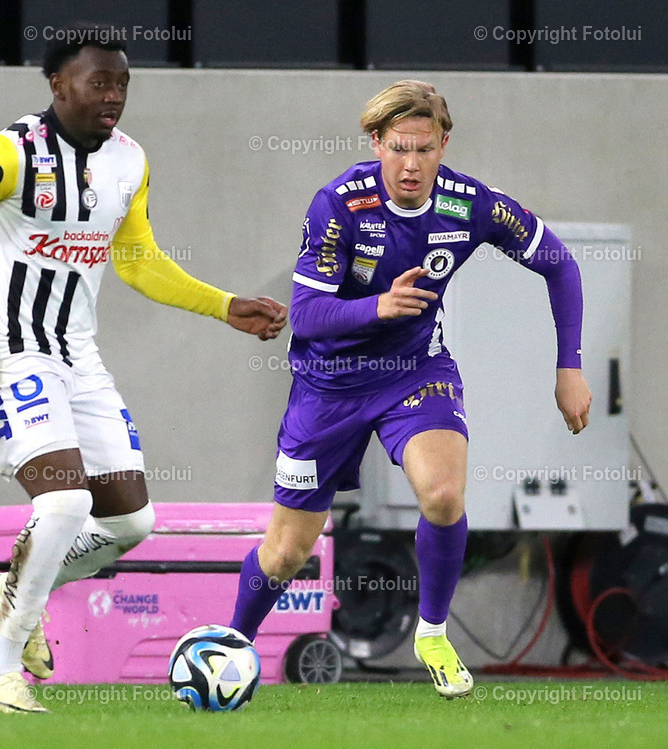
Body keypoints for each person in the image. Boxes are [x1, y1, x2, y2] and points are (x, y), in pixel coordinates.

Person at [0, 23, 287, 713]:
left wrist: (222, 305)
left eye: (123, 83)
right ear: (57, 84)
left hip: (79, 355)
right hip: (8, 352)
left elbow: (136, 259)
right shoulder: (11, 153)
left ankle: (16, 589)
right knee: (66, 502)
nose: (113, 95)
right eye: (99, 81)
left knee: (132, 522)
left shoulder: (129, 161)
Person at [228, 80, 590, 698]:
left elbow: (560, 264)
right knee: (287, 553)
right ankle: (230, 647)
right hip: (328, 383)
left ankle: (432, 631)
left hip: (414, 372)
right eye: (398, 148)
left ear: (443, 144)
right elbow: (307, 316)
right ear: (376, 143)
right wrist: (380, 307)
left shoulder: (472, 204)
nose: (411, 164)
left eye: (424, 149)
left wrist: (570, 366)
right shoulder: (339, 204)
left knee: (444, 494)